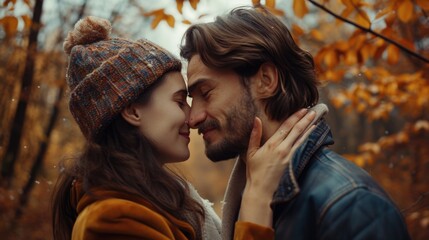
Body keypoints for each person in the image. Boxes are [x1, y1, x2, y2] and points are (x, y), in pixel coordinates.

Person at [51, 16, 316, 240]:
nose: (192, 117)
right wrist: (257, 198)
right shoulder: (112, 220)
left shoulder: (157, 200)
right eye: (180, 101)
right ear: (132, 111)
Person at [180, 5, 411, 240]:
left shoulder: (352, 206)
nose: (192, 118)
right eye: (191, 99)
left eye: (206, 93)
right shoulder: (251, 198)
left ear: (266, 80)